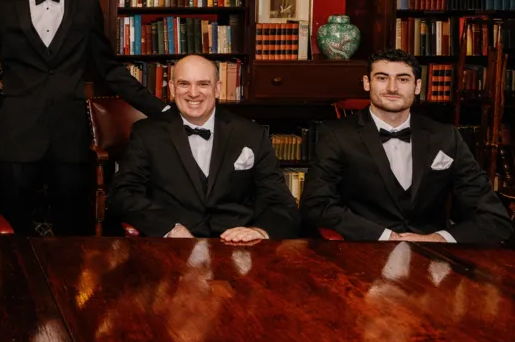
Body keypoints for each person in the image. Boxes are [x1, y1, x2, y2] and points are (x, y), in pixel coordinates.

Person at [0, 0, 168, 236]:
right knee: (11, 237)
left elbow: (108, 68)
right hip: (15, 139)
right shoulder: (3, 5)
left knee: (72, 235)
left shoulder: (86, 4)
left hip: (69, 140)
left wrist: (161, 109)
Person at [300, 48, 512, 244]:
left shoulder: (446, 137)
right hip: (365, 252)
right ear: (367, 83)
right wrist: (385, 237)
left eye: (403, 79)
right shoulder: (337, 135)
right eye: (382, 78)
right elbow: (316, 204)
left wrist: (439, 239)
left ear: (417, 86)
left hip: (434, 259)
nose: (392, 88)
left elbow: (494, 217)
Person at [108, 54, 301, 240]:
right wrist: (168, 228)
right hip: (174, 249)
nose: (193, 93)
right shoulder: (147, 133)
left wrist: (260, 231)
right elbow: (123, 195)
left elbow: (282, 204)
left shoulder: (251, 134)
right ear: (173, 88)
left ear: (217, 89)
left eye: (203, 84)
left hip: (237, 249)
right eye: (184, 84)